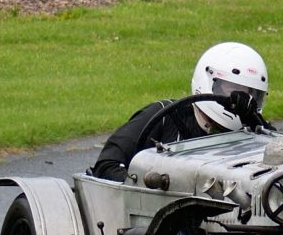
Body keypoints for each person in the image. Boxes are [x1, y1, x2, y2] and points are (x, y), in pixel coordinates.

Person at [88, 42, 270, 181]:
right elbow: (107, 165)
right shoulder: (163, 115)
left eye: (250, 94)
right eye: (232, 89)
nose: (241, 99)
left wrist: (253, 120)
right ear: (208, 81)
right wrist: (145, 187)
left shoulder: (254, 131)